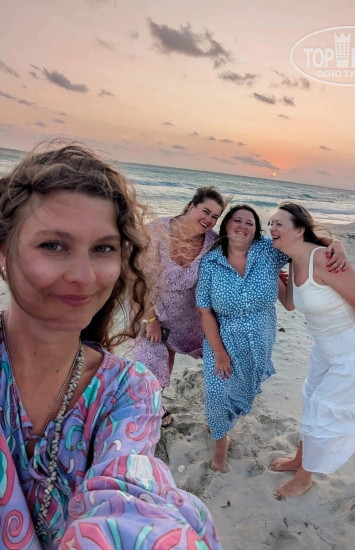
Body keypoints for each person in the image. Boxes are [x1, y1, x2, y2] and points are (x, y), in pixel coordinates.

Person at [0, 143, 221, 549]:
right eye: (53, 245)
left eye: (103, 248)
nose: (83, 276)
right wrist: (150, 319)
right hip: (156, 321)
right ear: (4, 252)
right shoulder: (160, 231)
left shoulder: (128, 392)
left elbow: (132, 498)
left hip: (184, 324)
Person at [196, 204, 346, 474]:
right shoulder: (210, 263)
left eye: (250, 223)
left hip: (259, 339)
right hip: (224, 339)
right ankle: (221, 443)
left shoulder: (268, 251)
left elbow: (304, 241)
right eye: (237, 220)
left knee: (241, 388)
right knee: (217, 395)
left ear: (256, 231)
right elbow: (204, 311)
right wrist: (219, 352)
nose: (242, 226)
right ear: (226, 225)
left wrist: (335, 244)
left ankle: (228, 422)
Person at [268, 201, 355, 498]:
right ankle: (299, 460)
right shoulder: (294, 261)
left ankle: (304, 478)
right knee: (310, 403)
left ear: (299, 230)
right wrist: (272, 276)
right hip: (323, 350)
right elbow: (290, 303)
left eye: (279, 224)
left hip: (352, 355)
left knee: (320, 414)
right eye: (270, 223)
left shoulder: (324, 259)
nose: (271, 228)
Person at [129, 187, 226, 427]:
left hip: (188, 317)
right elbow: (135, 277)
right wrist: (150, 318)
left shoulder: (212, 242)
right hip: (150, 308)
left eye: (215, 216)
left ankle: (159, 402)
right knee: (151, 359)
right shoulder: (156, 231)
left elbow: (240, 252)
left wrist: (269, 273)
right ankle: (151, 407)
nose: (209, 219)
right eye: (205, 211)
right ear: (191, 206)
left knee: (174, 355)